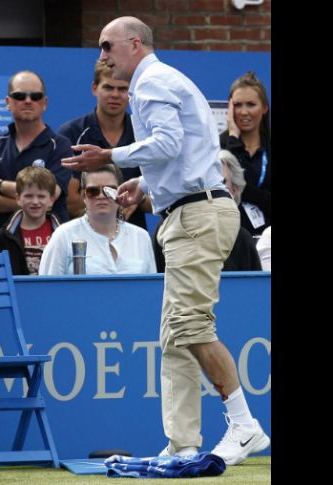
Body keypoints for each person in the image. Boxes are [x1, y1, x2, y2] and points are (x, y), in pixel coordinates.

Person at [63, 16, 269, 465]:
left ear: (134, 44)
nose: (101, 56)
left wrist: (110, 156)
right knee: (175, 335)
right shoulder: (162, 79)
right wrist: (147, 185)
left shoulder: (152, 82)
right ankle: (183, 444)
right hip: (190, 209)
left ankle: (243, 423)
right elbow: (186, 151)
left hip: (196, 216)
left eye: (106, 46)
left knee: (191, 326)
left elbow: (170, 142)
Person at [0, 70, 72, 234]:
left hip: (51, 246)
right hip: (7, 245)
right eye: (19, 96)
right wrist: (31, 202)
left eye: (35, 96)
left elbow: (51, 193)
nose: (28, 101)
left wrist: (0, 186)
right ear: (8, 102)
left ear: (44, 103)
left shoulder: (60, 145)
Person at [58, 61, 151, 228]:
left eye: (122, 89)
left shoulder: (144, 134)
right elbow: (69, 202)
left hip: (133, 236)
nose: (115, 95)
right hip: (84, 237)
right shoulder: (71, 133)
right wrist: (121, 201)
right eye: (108, 87)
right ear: (95, 88)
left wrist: (139, 198)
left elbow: (160, 196)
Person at [152, 150, 261, 272]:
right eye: (205, 182)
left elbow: (253, 288)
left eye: (220, 183)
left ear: (234, 192)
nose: (211, 190)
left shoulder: (243, 240)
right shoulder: (168, 229)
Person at [39, 164, 155, 275]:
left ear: (120, 193)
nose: (101, 196)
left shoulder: (141, 237)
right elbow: (47, 289)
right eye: (93, 191)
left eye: (109, 190)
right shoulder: (63, 235)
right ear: (84, 196)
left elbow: (152, 289)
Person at [220, 71, 271, 236]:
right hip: (228, 239)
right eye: (237, 105)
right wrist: (233, 139)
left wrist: (243, 189)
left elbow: (237, 186)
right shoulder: (219, 145)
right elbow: (223, 192)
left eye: (251, 104)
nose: (243, 112)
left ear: (264, 107)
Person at [0, 166, 62, 275]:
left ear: (51, 200)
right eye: (29, 196)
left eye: (41, 196)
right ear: (18, 199)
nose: (35, 201)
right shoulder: (5, 236)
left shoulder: (64, 234)